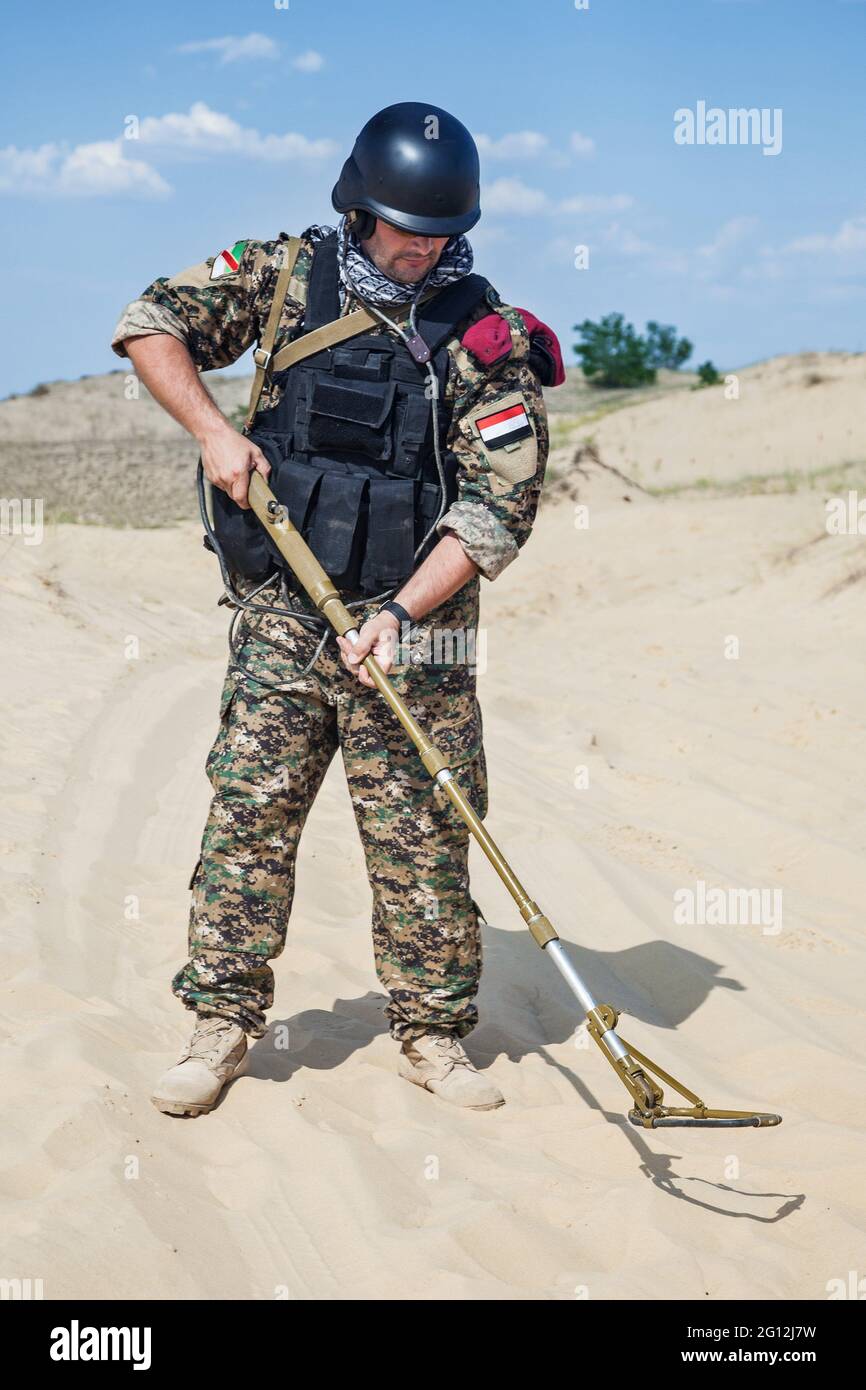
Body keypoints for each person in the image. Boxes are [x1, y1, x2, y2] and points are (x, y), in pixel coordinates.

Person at [111, 101, 564, 1117]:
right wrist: (212, 433)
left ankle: (433, 1031)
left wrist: (402, 613)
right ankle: (219, 1023)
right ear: (357, 211)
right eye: (405, 233)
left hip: (419, 630)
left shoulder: (484, 338)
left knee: (423, 834)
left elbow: (501, 505)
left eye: (441, 237)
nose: (422, 253)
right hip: (283, 611)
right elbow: (151, 322)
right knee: (249, 818)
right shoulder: (279, 279)